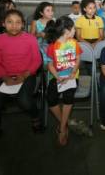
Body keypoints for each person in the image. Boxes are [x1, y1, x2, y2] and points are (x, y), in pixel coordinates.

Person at [0, 10, 43, 139]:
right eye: (10, 22)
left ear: (23, 24)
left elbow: (37, 60)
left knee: (24, 101)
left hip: (27, 74)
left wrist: (25, 75)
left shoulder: (30, 39)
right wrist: (4, 76)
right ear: (3, 24)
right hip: (5, 75)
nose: (14, 25)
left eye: (18, 22)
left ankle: (35, 117)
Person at [45, 16, 82, 146]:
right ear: (67, 30)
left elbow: (78, 59)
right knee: (51, 98)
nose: (75, 31)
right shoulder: (53, 46)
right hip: (57, 77)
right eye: (73, 29)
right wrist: (57, 76)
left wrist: (73, 72)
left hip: (72, 76)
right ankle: (64, 123)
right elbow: (49, 65)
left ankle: (61, 129)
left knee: (68, 96)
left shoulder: (74, 43)